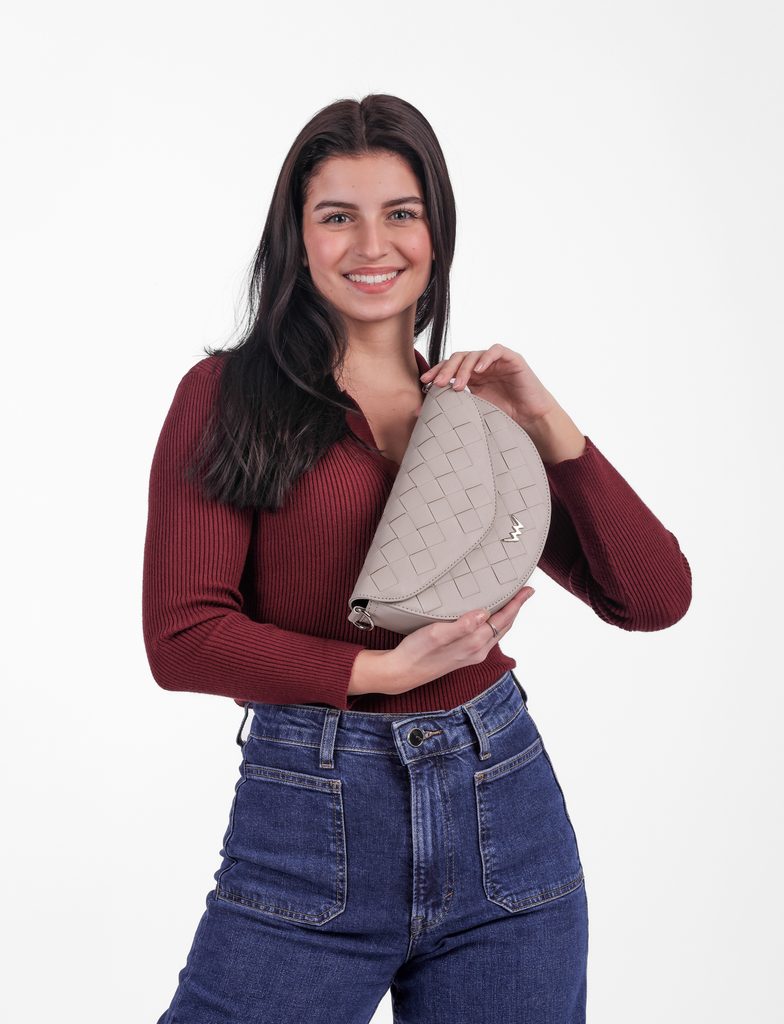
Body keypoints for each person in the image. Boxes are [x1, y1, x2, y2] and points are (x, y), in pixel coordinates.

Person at [143, 93, 692, 1024]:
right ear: (297, 238)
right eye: (337, 216)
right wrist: (381, 671)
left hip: (504, 819)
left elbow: (652, 597)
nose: (373, 244)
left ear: (436, 232)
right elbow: (182, 637)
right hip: (310, 828)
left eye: (401, 212)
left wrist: (547, 421)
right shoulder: (227, 396)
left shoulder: (475, 419)